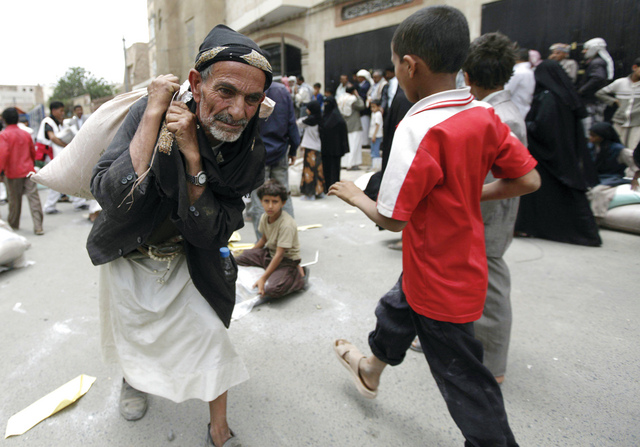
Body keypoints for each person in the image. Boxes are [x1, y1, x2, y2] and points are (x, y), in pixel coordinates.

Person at [329, 6, 540, 446]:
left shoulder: (418, 127)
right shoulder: (482, 114)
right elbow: (528, 179)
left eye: (394, 64)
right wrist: (470, 192)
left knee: (468, 384)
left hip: (438, 281)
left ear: (410, 66)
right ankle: (370, 369)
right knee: (394, 310)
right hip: (454, 260)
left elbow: (392, 219)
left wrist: (356, 195)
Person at [86, 24, 272, 447]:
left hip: (191, 257)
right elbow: (112, 197)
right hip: (131, 252)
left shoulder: (247, 148)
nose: (237, 111)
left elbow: (211, 231)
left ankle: (219, 429)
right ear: (196, 83)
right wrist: (153, 112)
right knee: (135, 335)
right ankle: (134, 381)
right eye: (225, 91)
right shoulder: (153, 112)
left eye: (252, 99)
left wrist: (192, 157)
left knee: (210, 337)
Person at [462, 31, 528, 384]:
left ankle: (492, 365)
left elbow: (510, 179)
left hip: (489, 218)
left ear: (468, 76)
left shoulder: (502, 117)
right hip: (482, 216)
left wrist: (466, 199)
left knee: (491, 289)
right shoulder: (496, 110)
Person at [515, 60, 602, 246]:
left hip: (547, 156)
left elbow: (542, 127)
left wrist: (522, 125)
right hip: (562, 154)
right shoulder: (564, 97)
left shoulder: (549, 97)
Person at [236, 180, 306, 299]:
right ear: (261, 201)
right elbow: (263, 240)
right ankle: (272, 270)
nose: (270, 206)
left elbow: (280, 254)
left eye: (275, 202)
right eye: (266, 201)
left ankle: (296, 276)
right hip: (269, 254)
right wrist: (249, 253)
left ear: (283, 203)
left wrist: (263, 278)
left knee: (272, 289)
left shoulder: (286, 224)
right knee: (238, 258)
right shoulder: (265, 217)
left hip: (285, 260)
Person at [248, 80, 299, 240]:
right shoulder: (282, 91)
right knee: (283, 196)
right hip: (279, 150)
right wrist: (294, 148)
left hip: (256, 153)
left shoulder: (250, 87)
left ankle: (262, 243)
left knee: (259, 199)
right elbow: (291, 122)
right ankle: (287, 239)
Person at [36, 101, 87, 214]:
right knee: (60, 179)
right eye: (61, 111)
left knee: (65, 178)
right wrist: (67, 145)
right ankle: (52, 206)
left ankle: (77, 202)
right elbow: (53, 138)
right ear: (54, 111)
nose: (62, 113)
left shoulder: (57, 122)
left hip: (56, 155)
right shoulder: (48, 122)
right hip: (51, 155)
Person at [0, 107, 44, 235]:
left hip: (12, 173)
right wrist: (31, 164)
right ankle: (38, 226)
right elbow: (32, 152)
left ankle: (13, 224)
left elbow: (3, 154)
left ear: (4, 120)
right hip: (28, 170)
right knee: (34, 198)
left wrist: (1, 171)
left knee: (14, 200)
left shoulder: (4, 135)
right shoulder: (26, 134)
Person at [595, 57, 640, 149]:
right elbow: (600, 93)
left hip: (637, 123)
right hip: (619, 121)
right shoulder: (620, 83)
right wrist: (613, 101)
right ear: (635, 67)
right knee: (618, 149)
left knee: (633, 149)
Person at [578, 37, 615, 133]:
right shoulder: (598, 62)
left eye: (586, 49)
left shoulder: (597, 62)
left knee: (590, 126)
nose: (583, 51)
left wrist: (582, 90)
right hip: (595, 100)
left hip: (592, 100)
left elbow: (598, 77)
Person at [319, 96, 349, 191]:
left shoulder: (338, 118)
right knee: (327, 168)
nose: (326, 106)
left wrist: (344, 147)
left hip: (335, 149)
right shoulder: (325, 116)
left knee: (334, 169)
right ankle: (327, 186)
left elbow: (343, 134)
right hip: (326, 148)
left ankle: (334, 186)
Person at [297, 100, 325, 199]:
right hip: (318, 148)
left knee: (309, 171)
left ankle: (309, 194)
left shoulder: (308, 121)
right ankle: (319, 191)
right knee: (318, 170)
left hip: (309, 148)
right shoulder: (320, 119)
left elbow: (299, 122)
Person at [505, 47, 536, 119]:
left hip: (514, 110)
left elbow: (506, 91)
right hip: (524, 108)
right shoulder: (530, 71)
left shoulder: (518, 72)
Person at [338, 85, 364, 170]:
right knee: (354, 145)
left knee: (347, 145)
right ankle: (351, 164)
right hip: (354, 125)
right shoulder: (353, 99)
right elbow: (361, 106)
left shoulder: (340, 98)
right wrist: (358, 96)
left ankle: (344, 163)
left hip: (345, 124)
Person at [356, 69, 373, 147]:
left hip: (365, 109)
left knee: (365, 125)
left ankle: (366, 142)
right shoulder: (360, 85)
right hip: (361, 110)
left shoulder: (366, 85)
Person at [368, 99, 383, 171]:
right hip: (373, 135)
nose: (372, 109)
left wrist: (374, 135)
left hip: (376, 136)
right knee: (373, 150)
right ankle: (373, 165)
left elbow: (377, 125)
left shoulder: (378, 114)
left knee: (375, 151)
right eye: (371, 107)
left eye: (374, 107)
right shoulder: (373, 114)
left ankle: (376, 166)